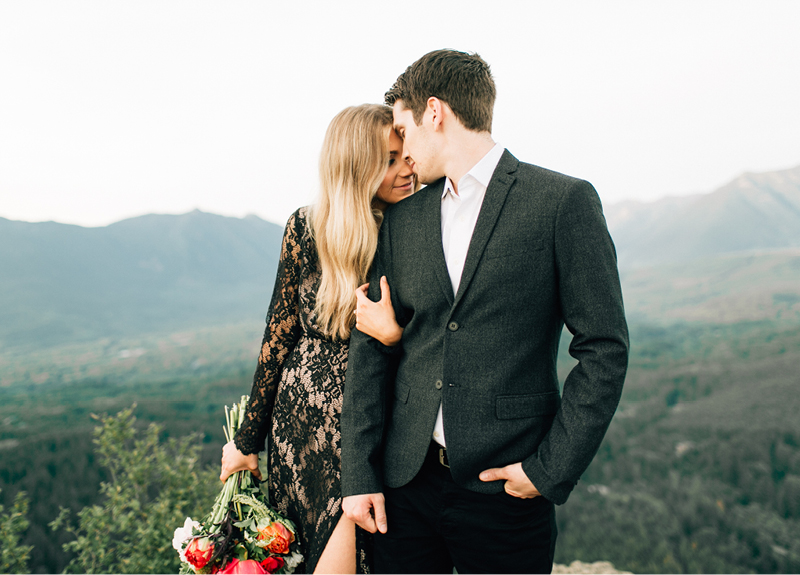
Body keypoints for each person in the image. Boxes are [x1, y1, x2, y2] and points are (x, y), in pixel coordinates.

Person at [341, 49, 630, 574]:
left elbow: (604, 348)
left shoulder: (561, 202)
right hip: (406, 486)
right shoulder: (405, 219)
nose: (403, 152)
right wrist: (359, 476)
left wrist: (548, 470)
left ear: (435, 113)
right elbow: (370, 346)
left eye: (403, 130)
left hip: (507, 490)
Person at [220, 103, 416, 574]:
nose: (407, 167)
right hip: (303, 426)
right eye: (389, 160)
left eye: (405, 154)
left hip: (362, 422)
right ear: (358, 169)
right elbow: (278, 335)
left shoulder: (411, 225)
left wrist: (395, 337)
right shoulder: (307, 226)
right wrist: (247, 441)